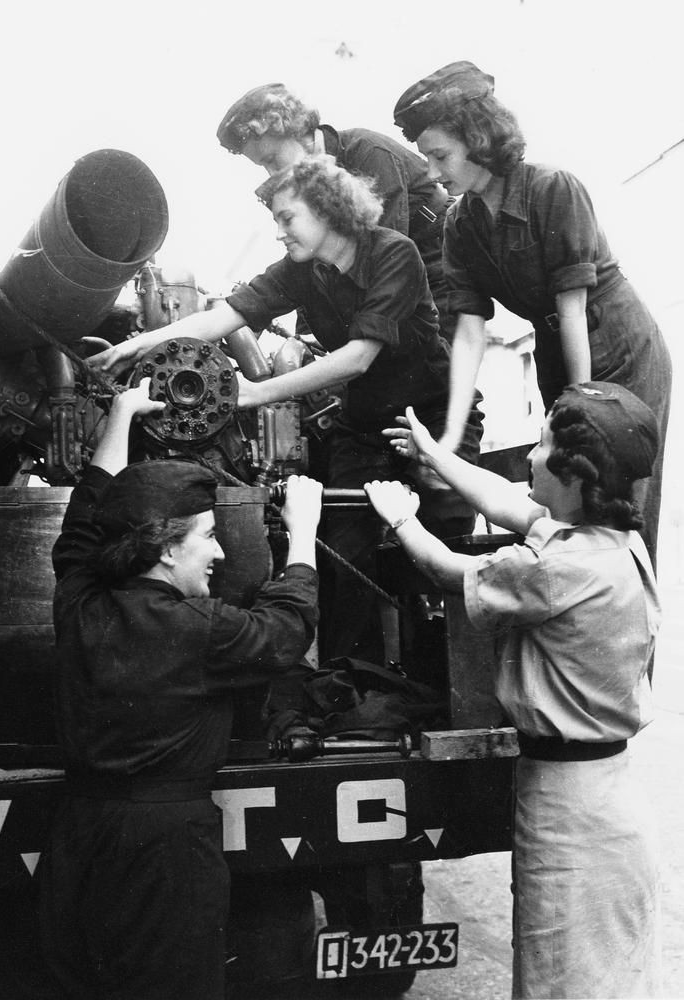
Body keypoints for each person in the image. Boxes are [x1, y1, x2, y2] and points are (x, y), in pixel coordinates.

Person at [88, 155, 483, 667]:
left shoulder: (394, 253)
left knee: (445, 536)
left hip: (429, 414)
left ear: (328, 210)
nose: (278, 232)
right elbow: (227, 315)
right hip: (364, 426)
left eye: (286, 217)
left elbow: (358, 358)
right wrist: (139, 345)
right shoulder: (302, 270)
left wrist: (255, 392)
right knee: (342, 554)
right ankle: (350, 682)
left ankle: (449, 680)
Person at [364, 381, 661, 999]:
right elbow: (504, 499)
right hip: (609, 790)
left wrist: (401, 518)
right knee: (605, 969)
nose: (529, 453)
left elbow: (450, 570)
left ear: (574, 476)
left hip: (569, 803)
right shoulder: (613, 541)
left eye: (544, 442)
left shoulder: (553, 568)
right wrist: (432, 453)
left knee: (562, 973)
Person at [36, 377, 322, 1000]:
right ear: (166, 551)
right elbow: (287, 628)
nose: (217, 553)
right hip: (166, 850)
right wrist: (303, 533)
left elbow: (86, 513)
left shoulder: (79, 602)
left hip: (79, 836)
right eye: (207, 537)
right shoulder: (202, 630)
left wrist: (123, 414)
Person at [392, 60, 672, 566]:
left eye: (440, 156)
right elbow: (470, 335)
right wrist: (450, 438)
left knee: (617, 503)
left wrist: (583, 408)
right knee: (567, 501)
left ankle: (625, 633)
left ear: (478, 139)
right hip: (558, 352)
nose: (432, 173)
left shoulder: (552, 188)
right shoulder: (462, 223)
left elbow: (574, 307)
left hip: (616, 346)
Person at [216, 81, 457, 340]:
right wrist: (306, 334)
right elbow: (312, 257)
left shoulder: (367, 152)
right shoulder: (300, 187)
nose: (272, 174)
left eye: (272, 160)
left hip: (438, 263)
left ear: (294, 130)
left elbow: (383, 250)